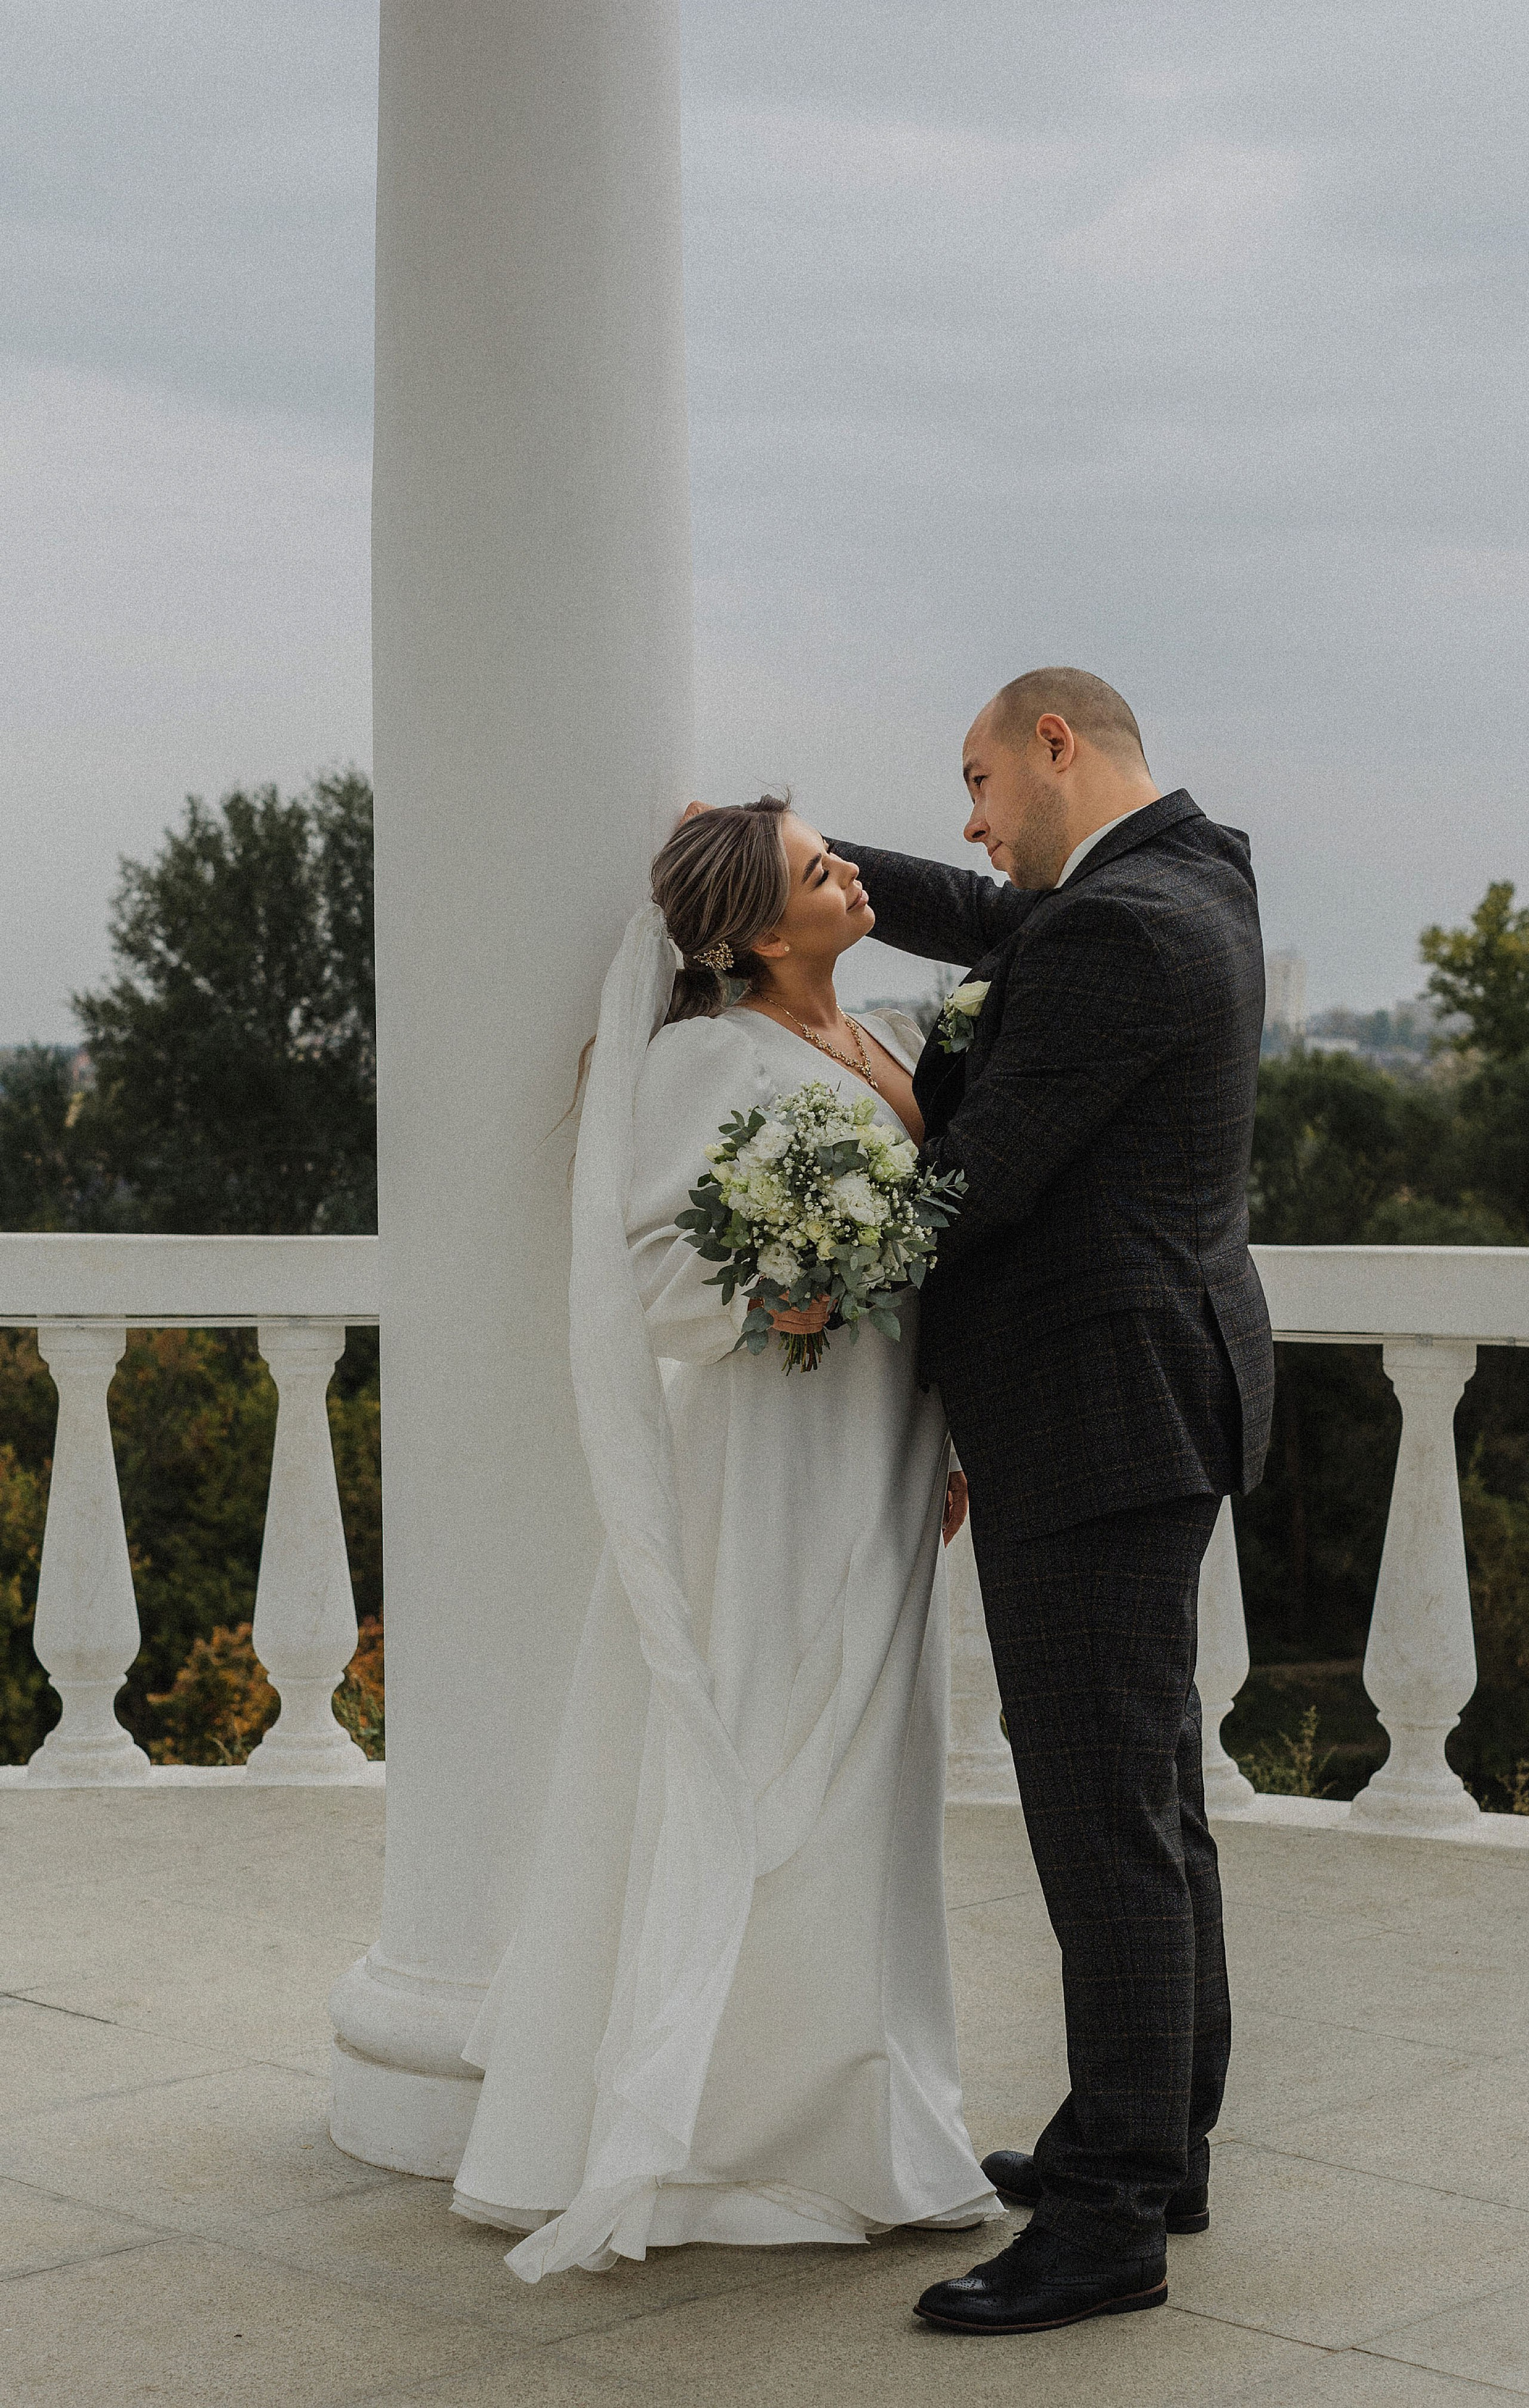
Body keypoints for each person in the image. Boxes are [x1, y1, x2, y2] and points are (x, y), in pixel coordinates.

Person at [451, 794, 1001, 2278]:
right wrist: (787, 1294)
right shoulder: (706, 1058)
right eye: (819, 867)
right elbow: (652, 1274)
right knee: (776, 1742)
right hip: (773, 1458)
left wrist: (945, 1426)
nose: (851, 872)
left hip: (887, 1442)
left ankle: (868, 2105)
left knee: (877, 1767)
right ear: (757, 931)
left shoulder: (879, 1034)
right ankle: (744, 2131)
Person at [829, 666, 1273, 2338]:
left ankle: (1108, 2228)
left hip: (1095, 1416)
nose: (968, 823)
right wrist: (803, 853)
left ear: (1055, 745)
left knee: (1103, 1829)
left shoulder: (1121, 930)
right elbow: (979, 915)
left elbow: (978, 1177)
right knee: (1148, 1798)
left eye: (976, 780)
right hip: (1159, 1392)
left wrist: (809, 1267)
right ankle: (1155, 2146)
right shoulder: (1193, 875)